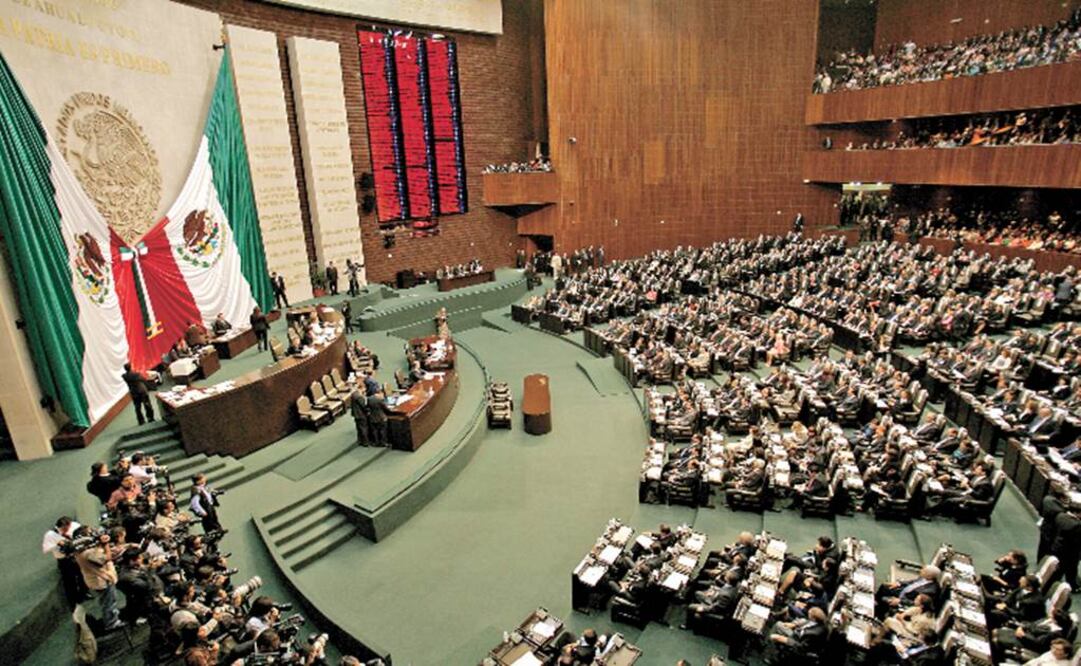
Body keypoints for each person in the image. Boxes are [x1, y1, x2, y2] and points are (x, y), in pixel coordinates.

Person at [73, 526, 123, 631]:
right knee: (109, 602)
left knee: (107, 601)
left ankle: (112, 618)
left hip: (95, 580)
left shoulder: (79, 551)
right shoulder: (88, 553)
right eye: (90, 532)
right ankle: (111, 623)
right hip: (101, 580)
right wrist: (106, 544)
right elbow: (106, 558)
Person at [42, 516, 86, 606]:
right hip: (64, 560)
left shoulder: (74, 526)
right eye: (65, 529)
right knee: (69, 580)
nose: (67, 530)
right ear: (60, 527)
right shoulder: (50, 535)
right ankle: (73, 599)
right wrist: (57, 544)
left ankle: (84, 593)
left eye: (68, 528)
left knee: (82, 574)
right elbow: (45, 549)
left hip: (75, 556)